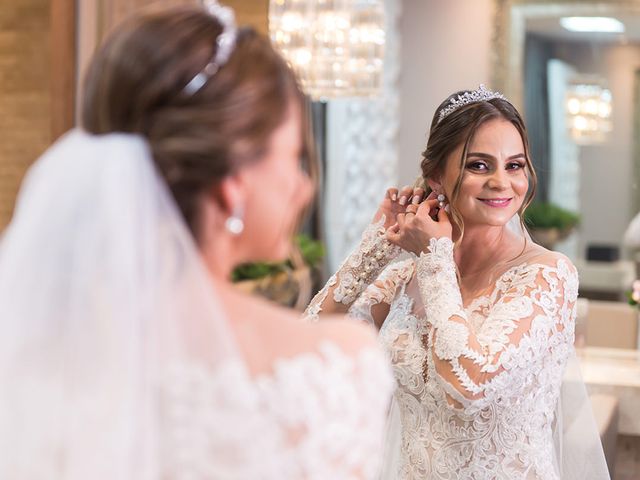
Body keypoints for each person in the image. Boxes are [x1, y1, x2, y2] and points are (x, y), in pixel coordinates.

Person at [0, 3, 394, 479]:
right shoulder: (333, 369)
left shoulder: (36, 356)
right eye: (294, 158)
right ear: (233, 187)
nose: (303, 187)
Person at [306, 85, 609, 479]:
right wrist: (377, 242)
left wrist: (435, 259)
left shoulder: (547, 275)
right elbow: (310, 341)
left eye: (514, 165)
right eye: (479, 165)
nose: (502, 182)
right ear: (436, 177)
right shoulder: (404, 278)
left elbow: (470, 387)